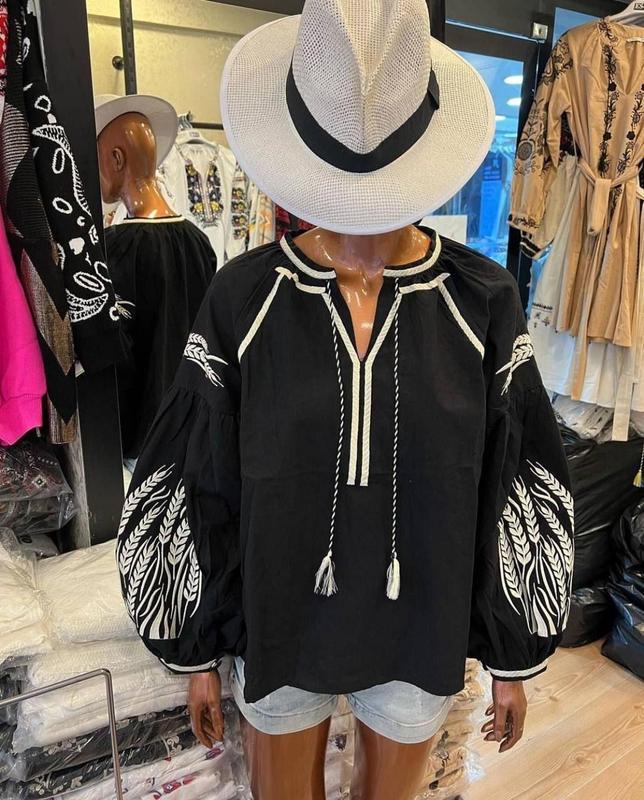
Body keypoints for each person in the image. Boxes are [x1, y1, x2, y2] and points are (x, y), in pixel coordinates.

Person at [117, 1, 574, 797]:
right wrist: (197, 649)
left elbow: (517, 477)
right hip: (280, 621)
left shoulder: (482, 303)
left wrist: (512, 655)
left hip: (418, 621)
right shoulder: (243, 299)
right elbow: (196, 477)